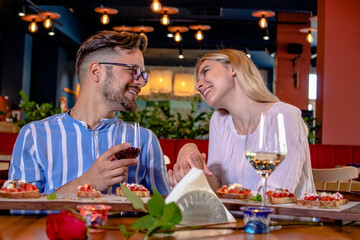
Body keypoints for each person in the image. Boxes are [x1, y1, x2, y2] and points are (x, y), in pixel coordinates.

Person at [8, 30, 171, 196]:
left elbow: (166, 209)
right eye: (134, 70)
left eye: (143, 75)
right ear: (96, 72)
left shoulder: (145, 140)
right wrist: (88, 182)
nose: (141, 82)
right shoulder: (35, 135)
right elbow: (20, 210)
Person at [167, 49, 315, 198]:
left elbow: (274, 195)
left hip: (286, 220)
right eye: (197, 81)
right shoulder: (219, 121)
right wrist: (193, 162)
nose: (198, 85)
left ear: (233, 68)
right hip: (236, 219)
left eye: (205, 72)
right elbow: (217, 188)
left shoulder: (283, 115)